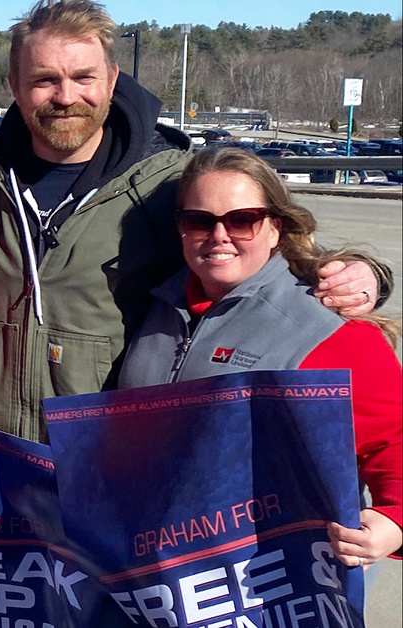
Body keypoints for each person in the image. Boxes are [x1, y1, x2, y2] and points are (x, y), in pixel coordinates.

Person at [0, 0, 388, 444]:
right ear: (15, 87)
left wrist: (363, 275)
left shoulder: (167, 182)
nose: (65, 96)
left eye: (83, 77)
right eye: (44, 79)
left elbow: (255, 241)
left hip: (108, 459)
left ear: (112, 80)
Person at [118, 147, 402, 566]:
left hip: (271, 573)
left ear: (274, 228)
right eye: (199, 221)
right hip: (158, 562)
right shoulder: (157, 305)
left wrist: (394, 520)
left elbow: (392, 439)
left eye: (242, 220)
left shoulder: (330, 326)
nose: (219, 235)